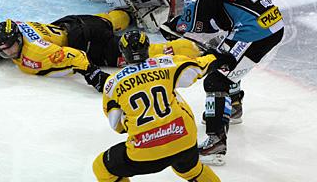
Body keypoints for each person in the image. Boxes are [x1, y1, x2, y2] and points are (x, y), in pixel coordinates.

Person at [161, 0, 285, 165]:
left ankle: (216, 143)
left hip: (254, 32)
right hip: (271, 23)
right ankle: (234, 106)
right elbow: (223, 16)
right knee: (224, 55)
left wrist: (173, 25)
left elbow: (193, 24)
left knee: (216, 79)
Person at [93, 30, 236, 181]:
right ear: (147, 47)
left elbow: (116, 125)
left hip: (145, 150)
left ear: (122, 52)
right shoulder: (165, 63)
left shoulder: (113, 83)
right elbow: (199, 67)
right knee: (191, 170)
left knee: (101, 167)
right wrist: (217, 58)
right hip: (183, 138)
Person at [0, 10, 131, 92]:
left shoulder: (36, 53)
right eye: (2, 50)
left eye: (9, 47)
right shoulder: (17, 27)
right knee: (106, 20)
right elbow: (9, 28)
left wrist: (92, 73)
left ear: (19, 39)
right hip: (72, 23)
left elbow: (75, 55)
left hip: (88, 41)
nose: (7, 53)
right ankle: (127, 13)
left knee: (135, 51)